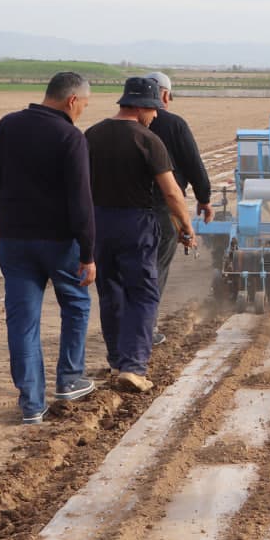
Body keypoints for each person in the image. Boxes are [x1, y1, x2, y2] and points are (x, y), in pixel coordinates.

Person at [0, 71, 97, 425]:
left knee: (22, 321)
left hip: (14, 242)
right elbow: (81, 202)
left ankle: (31, 405)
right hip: (59, 243)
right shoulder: (70, 137)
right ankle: (69, 379)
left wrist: (5, 222)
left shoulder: (8, 125)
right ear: (72, 100)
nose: (82, 114)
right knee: (76, 304)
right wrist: (89, 254)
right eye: (84, 106)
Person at [85, 77, 197, 393]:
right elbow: (173, 193)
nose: (157, 115)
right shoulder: (147, 140)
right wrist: (186, 227)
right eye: (154, 109)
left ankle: (118, 361)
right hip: (135, 224)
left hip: (98, 222)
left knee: (111, 292)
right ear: (140, 106)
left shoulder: (92, 134)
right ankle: (134, 367)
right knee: (144, 293)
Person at [145, 72, 213, 346]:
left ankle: (125, 325)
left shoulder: (112, 127)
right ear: (163, 95)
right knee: (156, 267)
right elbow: (194, 164)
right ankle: (147, 327)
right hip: (163, 207)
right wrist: (204, 199)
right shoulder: (173, 125)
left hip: (118, 210)